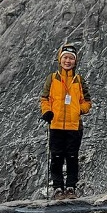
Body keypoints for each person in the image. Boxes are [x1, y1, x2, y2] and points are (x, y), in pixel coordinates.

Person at [39, 43, 92, 199]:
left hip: (74, 126)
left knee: (72, 157)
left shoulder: (79, 80)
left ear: (75, 61)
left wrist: (79, 110)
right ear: (60, 59)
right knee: (56, 157)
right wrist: (47, 111)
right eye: (65, 58)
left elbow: (87, 101)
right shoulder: (52, 78)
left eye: (71, 58)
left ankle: (70, 187)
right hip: (55, 125)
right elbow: (44, 98)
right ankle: (57, 188)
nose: (67, 61)